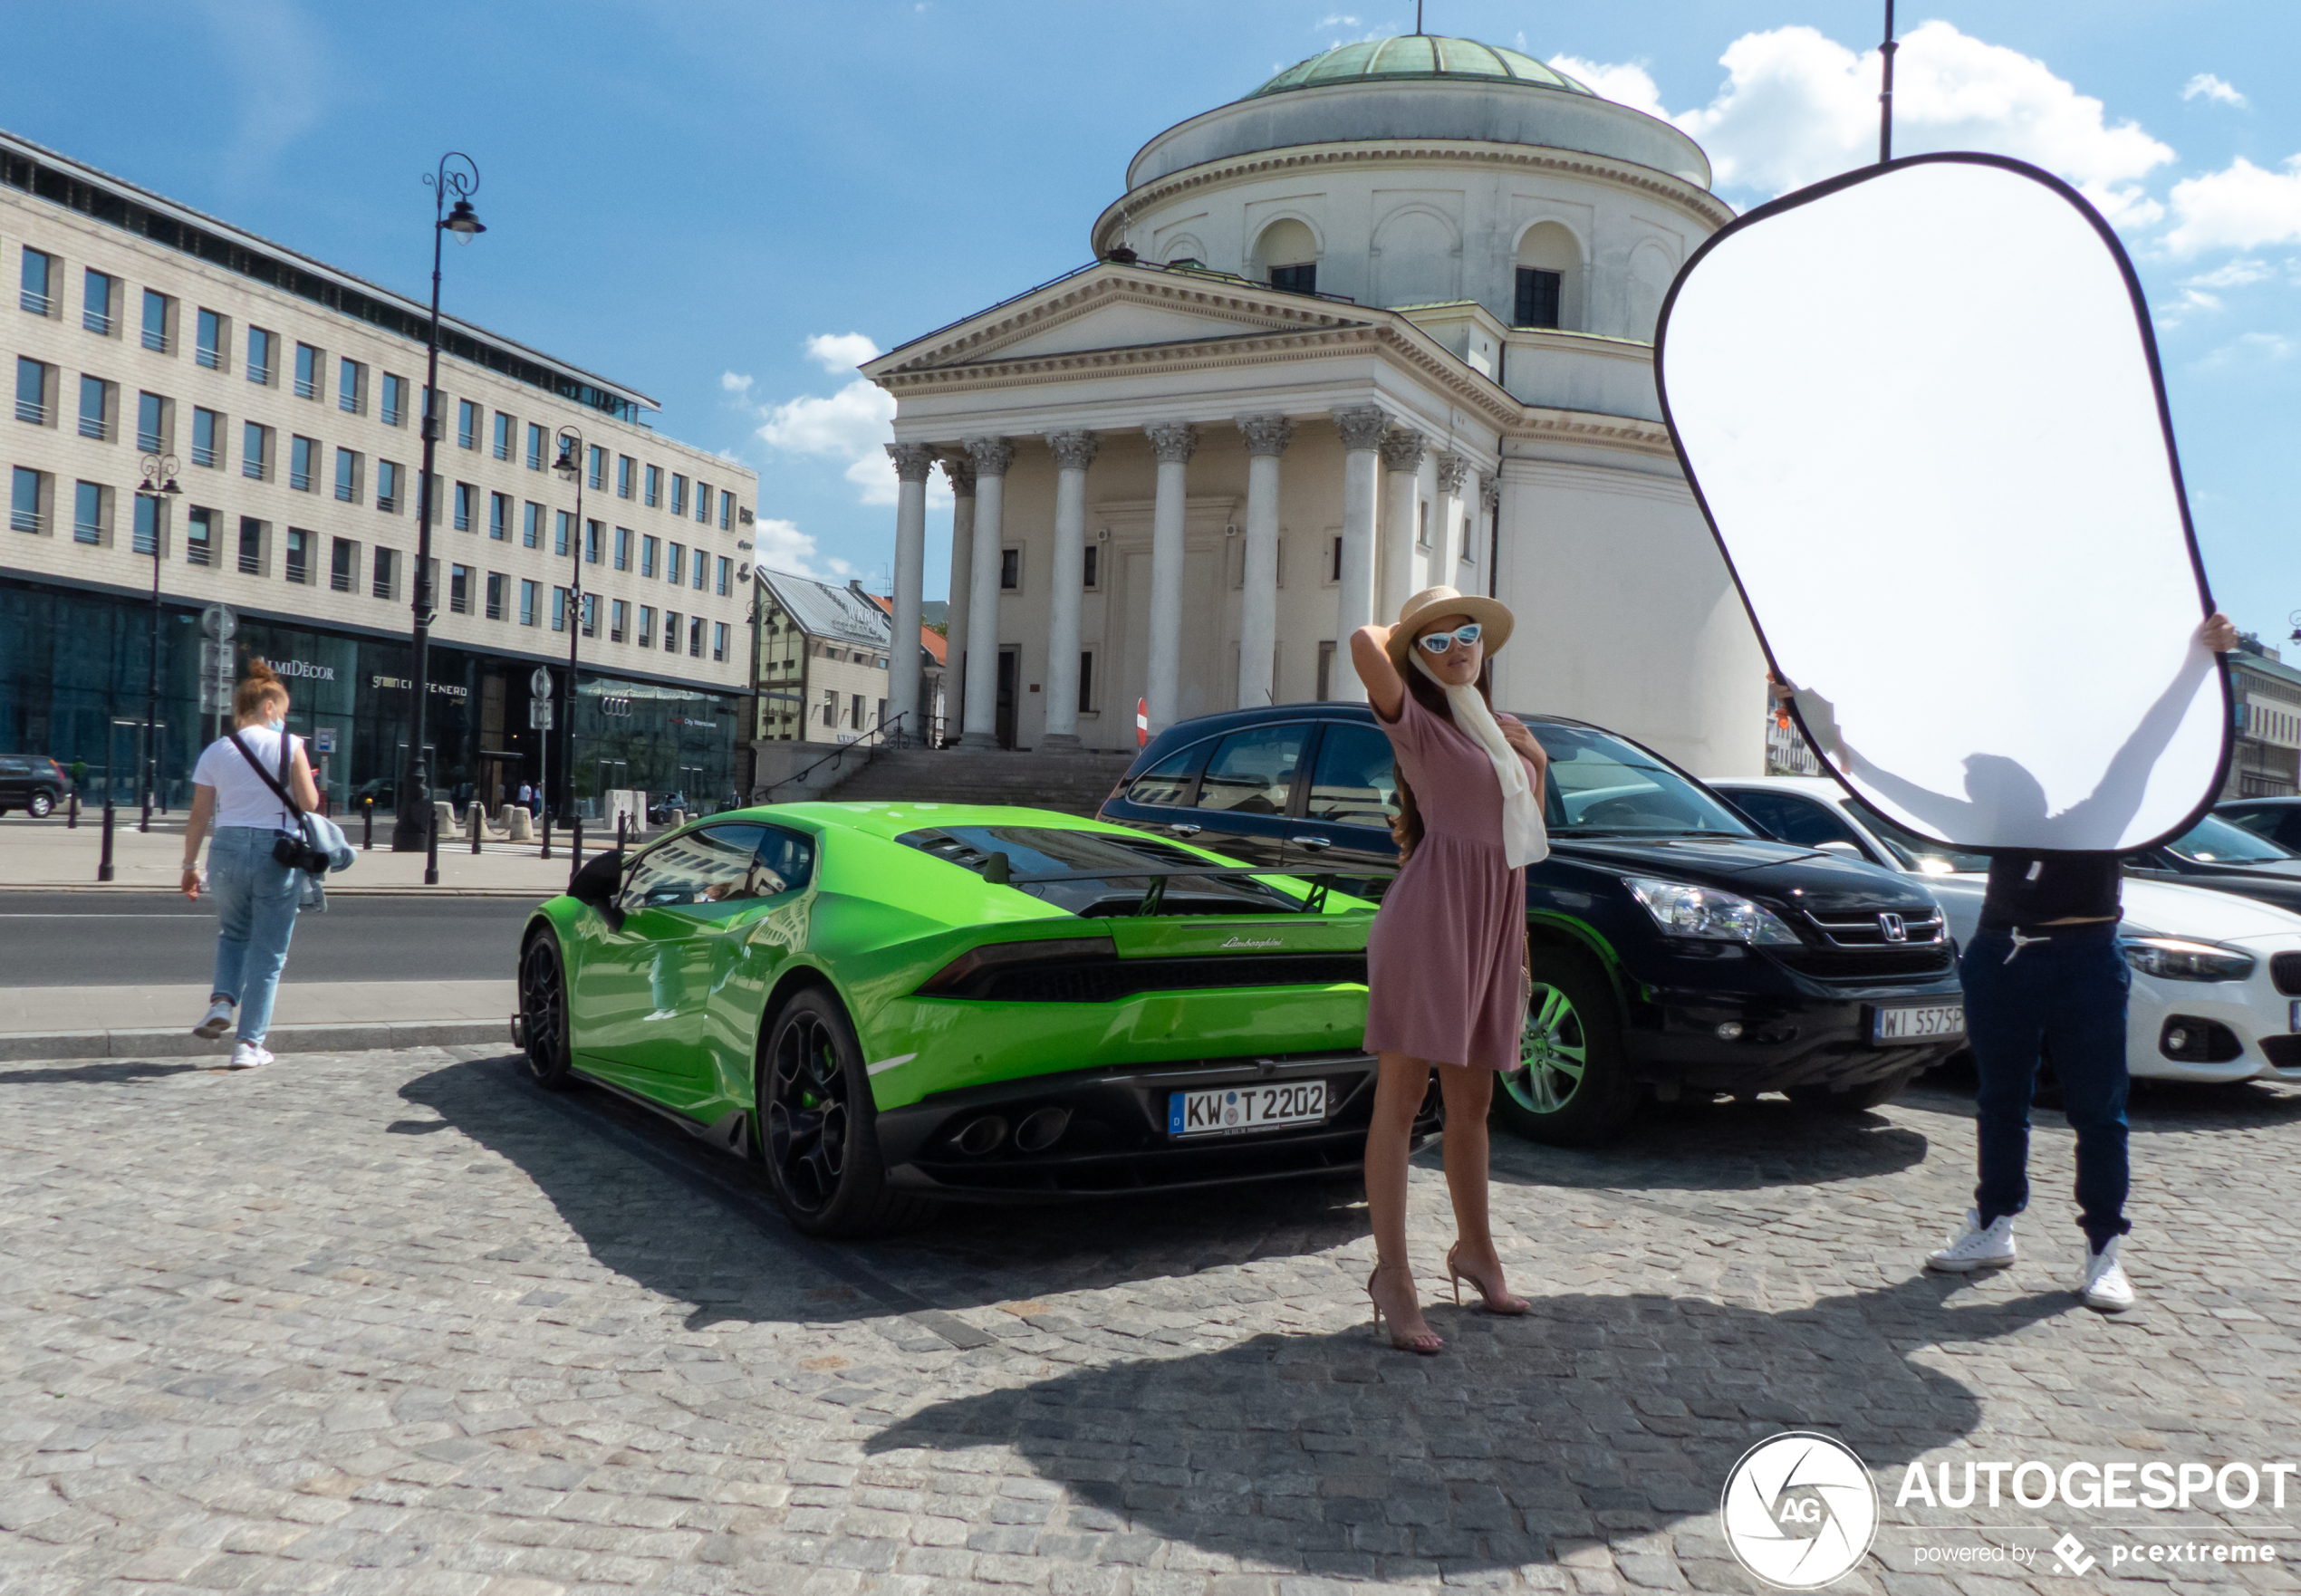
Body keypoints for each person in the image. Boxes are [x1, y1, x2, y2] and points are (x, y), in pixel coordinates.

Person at [1926, 611, 2241, 1312]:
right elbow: (1906, 779)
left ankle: (2104, 1249)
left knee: (2098, 1109)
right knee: (1999, 1100)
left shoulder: (2103, 804)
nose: (1976, 790)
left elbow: (2151, 738)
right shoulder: (2000, 821)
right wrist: (1818, 724)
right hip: (2001, 956)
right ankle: (1993, 1225)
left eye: (1986, 779)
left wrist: (2199, 659)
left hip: (2086, 960)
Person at [1349, 585, 1550, 1354]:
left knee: (1474, 1106)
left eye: (1470, 634)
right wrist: (1412, 635)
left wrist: (1519, 951)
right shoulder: (1420, 727)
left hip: (1494, 928)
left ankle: (1477, 1252)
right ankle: (1393, 1277)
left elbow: (1520, 851)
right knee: (1401, 1105)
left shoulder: (1510, 735)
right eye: (1441, 640)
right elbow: (1366, 644)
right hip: (1430, 924)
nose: (1461, 646)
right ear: (1418, 657)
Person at [179, 659, 322, 1070]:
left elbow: (199, 815)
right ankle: (248, 1044)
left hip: (224, 849)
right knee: (269, 953)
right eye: (284, 709)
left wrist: (189, 865)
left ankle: (221, 1002)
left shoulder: (216, 750)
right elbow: (310, 804)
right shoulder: (289, 744)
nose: (286, 717)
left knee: (234, 933)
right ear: (269, 707)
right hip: (275, 851)